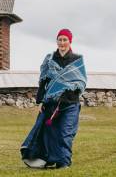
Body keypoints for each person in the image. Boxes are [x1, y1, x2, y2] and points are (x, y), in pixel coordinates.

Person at [21, 29, 87, 169]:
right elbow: (43, 81)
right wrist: (40, 101)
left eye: (65, 40)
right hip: (51, 103)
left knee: (65, 133)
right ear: (57, 41)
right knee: (50, 134)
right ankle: (49, 159)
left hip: (70, 103)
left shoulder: (77, 61)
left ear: (70, 41)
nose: (62, 42)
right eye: (60, 39)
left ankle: (64, 162)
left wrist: (67, 95)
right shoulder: (49, 59)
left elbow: (80, 82)